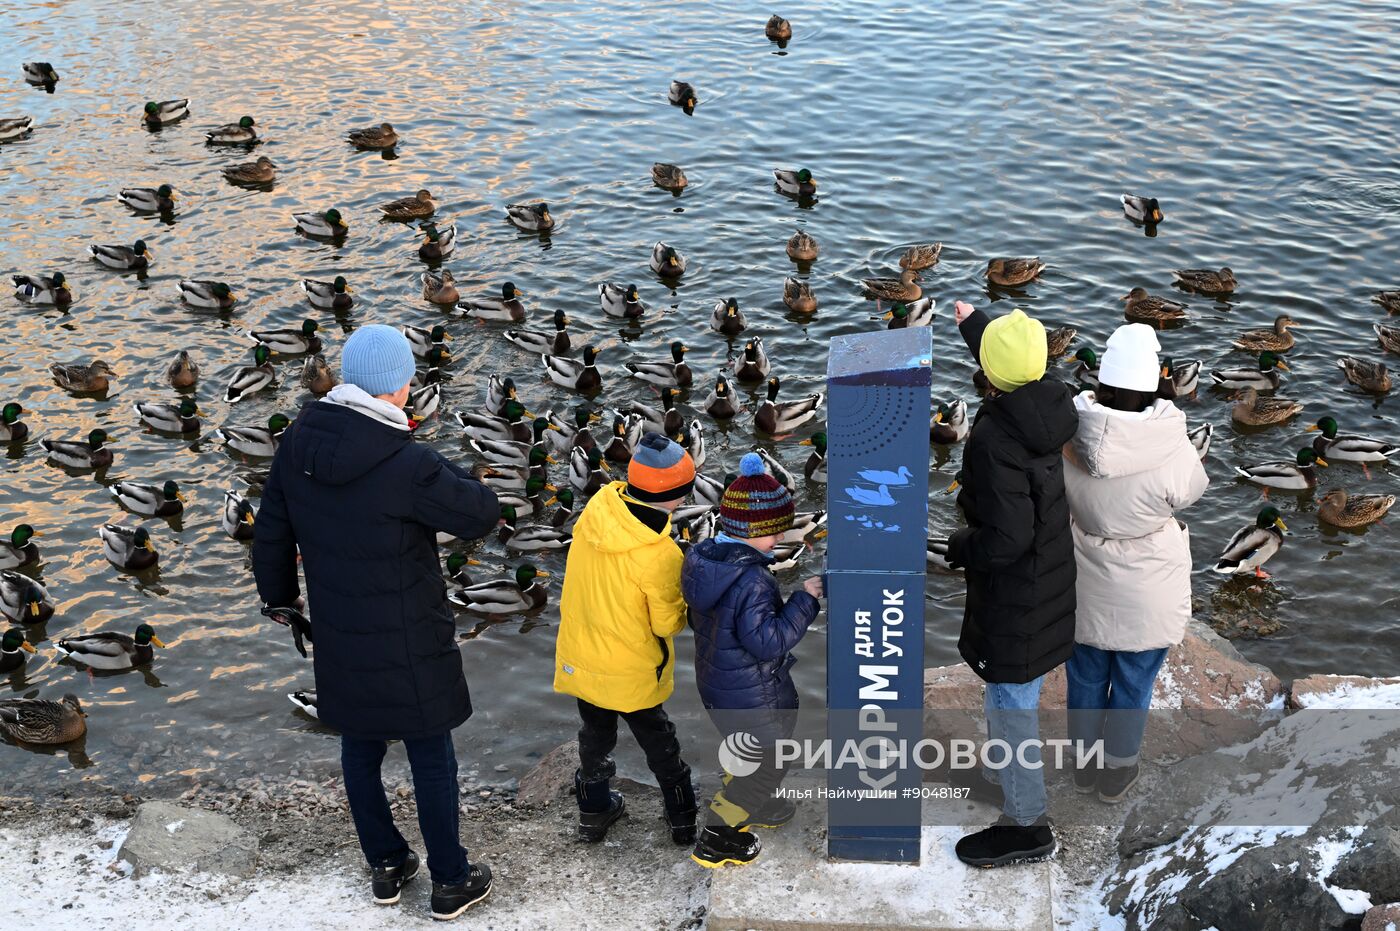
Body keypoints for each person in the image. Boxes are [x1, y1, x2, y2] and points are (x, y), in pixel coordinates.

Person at [252, 325, 499, 920]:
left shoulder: (298, 441)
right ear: (397, 386)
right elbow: (480, 515)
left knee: (359, 748)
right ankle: (450, 880)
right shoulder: (407, 462)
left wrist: (283, 602)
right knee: (430, 755)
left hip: (338, 630)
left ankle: (386, 864)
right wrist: (446, 467)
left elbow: (271, 533)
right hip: (411, 635)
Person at [945, 301, 1078, 868]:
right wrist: (974, 324)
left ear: (991, 376)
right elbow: (1012, 360)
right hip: (1047, 581)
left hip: (1016, 593)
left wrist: (956, 547)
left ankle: (1027, 823)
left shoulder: (995, 438)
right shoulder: (1048, 403)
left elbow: (1005, 540)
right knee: (1011, 696)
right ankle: (1004, 773)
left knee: (1009, 702)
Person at [1061, 323, 1209, 802]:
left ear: (1101, 379)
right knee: (1133, 681)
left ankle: (1083, 769)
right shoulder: (1171, 443)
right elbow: (1191, 492)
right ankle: (1116, 774)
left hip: (1083, 574)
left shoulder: (1068, 432)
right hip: (1148, 583)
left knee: (1084, 676)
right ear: (1155, 382)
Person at [553, 432, 698, 846]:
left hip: (582, 657)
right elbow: (667, 625)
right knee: (660, 745)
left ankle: (593, 813)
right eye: (685, 492)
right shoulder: (661, 554)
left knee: (594, 739)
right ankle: (683, 819)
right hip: (632, 668)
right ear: (675, 494)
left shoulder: (594, 515)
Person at [681, 453, 823, 868]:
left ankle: (754, 807)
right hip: (752, 692)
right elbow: (768, 642)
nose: (780, 539)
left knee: (744, 752)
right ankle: (718, 836)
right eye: (775, 531)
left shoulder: (705, 561)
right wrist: (805, 599)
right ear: (757, 530)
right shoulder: (754, 580)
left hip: (719, 684)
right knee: (770, 763)